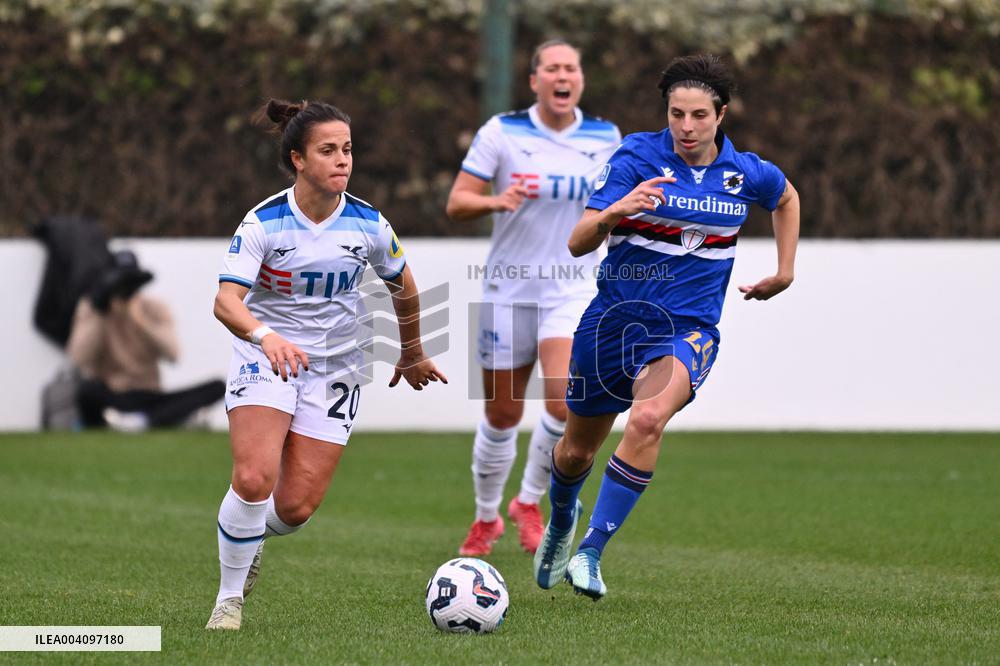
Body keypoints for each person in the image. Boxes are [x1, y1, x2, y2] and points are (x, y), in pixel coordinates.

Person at [532, 54, 801, 599]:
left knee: (649, 417)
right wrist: (617, 210)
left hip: (687, 328)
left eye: (699, 115)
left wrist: (785, 271)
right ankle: (561, 517)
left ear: (720, 115)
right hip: (613, 323)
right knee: (576, 452)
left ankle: (590, 551)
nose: (686, 126)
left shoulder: (745, 172)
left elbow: (786, 196)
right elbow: (578, 241)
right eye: (677, 114)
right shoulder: (636, 156)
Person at [207, 99, 447, 630]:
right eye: (328, 150)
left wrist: (411, 351)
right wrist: (265, 336)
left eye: (348, 149)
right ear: (297, 159)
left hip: (336, 367)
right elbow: (226, 302)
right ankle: (228, 601)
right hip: (266, 357)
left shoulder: (369, 224)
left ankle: (248, 534)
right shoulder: (264, 221)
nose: (342, 160)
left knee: (295, 508)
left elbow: (404, 287)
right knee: (254, 477)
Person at [445, 40, 621, 556]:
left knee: (564, 404)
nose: (563, 76)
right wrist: (495, 201)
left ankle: (528, 502)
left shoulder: (606, 137)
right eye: (552, 68)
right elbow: (457, 203)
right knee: (502, 414)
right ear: (534, 80)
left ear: (580, 79)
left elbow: (618, 205)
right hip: (509, 289)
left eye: (572, 68)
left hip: (573, 288)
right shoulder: (502, 131)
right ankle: (486, 517)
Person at [67, 250, 225, 431]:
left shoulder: (154, 307)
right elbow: (77, 359)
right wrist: (100, 314)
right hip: (112, 395)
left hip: (149, 396)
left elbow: (173, 354)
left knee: (218, 387)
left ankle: (141, 421)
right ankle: (155, 420)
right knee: (86, 392)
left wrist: (139, 320)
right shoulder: (92, 310)